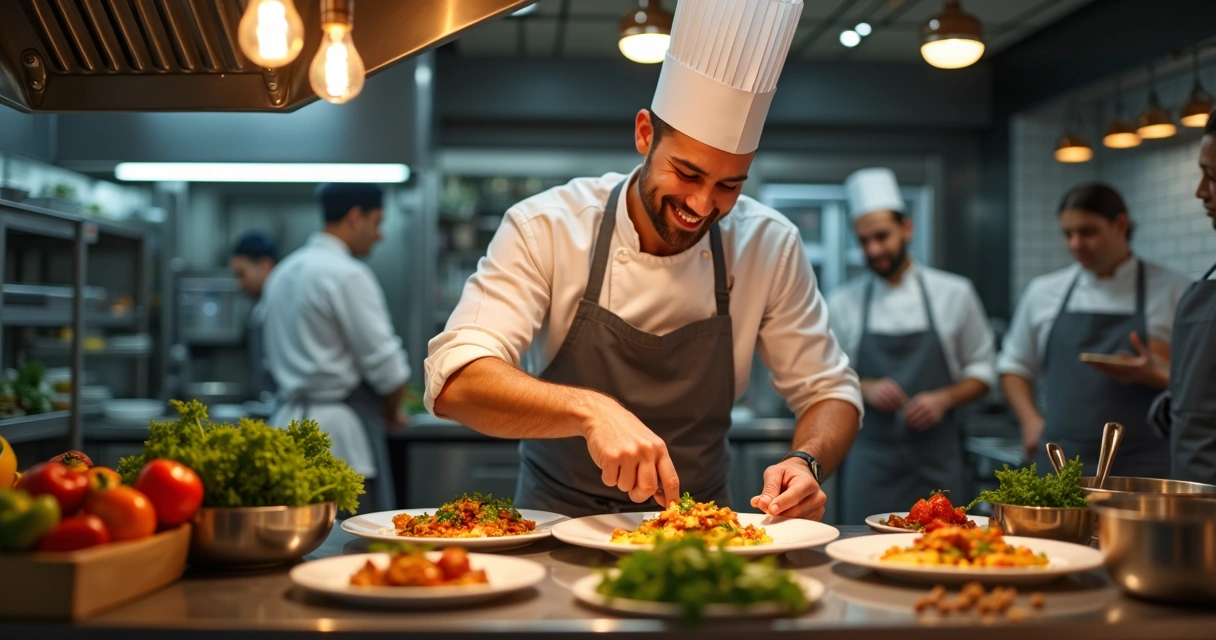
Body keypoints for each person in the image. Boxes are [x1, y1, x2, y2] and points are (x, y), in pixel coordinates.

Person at [425, 0, 862, 520]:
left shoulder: (769, 244)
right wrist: (591, 410)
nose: (702, 206)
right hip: (555, 524)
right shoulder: (548, 225)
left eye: (729, 185)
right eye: (687, 173)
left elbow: (830, 390)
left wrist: (806, 459)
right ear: (644, 135)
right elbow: (456, 380)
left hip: (700, 530)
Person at [829, 168, 996, 523]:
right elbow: (823, 375)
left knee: (946, 551)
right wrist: (866, 385)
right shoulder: (842, 303)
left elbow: (985, 370)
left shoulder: (955, 293)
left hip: (937, 463)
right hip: (869, 463)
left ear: (907, 229)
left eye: (882, 237)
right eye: (863, 241)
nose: (873, 250)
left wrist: (944, 398)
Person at [999, 184, 1190, 477]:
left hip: (1144, 467)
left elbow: (1200, 387)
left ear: (1121, 225)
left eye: (1087, 232)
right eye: (1068, 234)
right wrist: (1030, 421)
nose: (1075, 244)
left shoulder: (1174, 291)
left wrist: (1156, 374)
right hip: (1060, 461)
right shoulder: (1044, 292)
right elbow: (1014, 365)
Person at [262, 183, 409, 512]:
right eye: (377, 222)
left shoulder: (283, 272)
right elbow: (388, 369)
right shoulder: (348, 275)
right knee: (347, 546)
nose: (380, 234)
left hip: (283, 428)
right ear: (356, 217)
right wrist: (392, 412)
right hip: (339, 437)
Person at [1144, 111, 1216, 483]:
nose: (1201, 190)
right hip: (1193, 502)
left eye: (1213, 177)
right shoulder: (1207, 280)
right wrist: (1181, 402)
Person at [230, 230, 278, 403]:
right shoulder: (261, 306)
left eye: (242, 274)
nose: (239, 284)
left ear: (265, 265)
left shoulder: (281, 304)